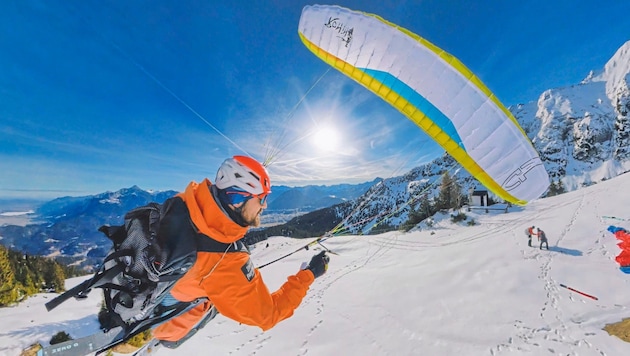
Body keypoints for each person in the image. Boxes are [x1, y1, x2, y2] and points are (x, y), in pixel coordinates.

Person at [151, 155, 330, 348]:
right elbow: (269, 315)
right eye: (262, 198)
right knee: (207, 310)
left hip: (150, 292)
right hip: (164, 326)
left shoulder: (186, 201)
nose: (265, 205)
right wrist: (309, 274)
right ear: (237, 200)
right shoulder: (225, 262)